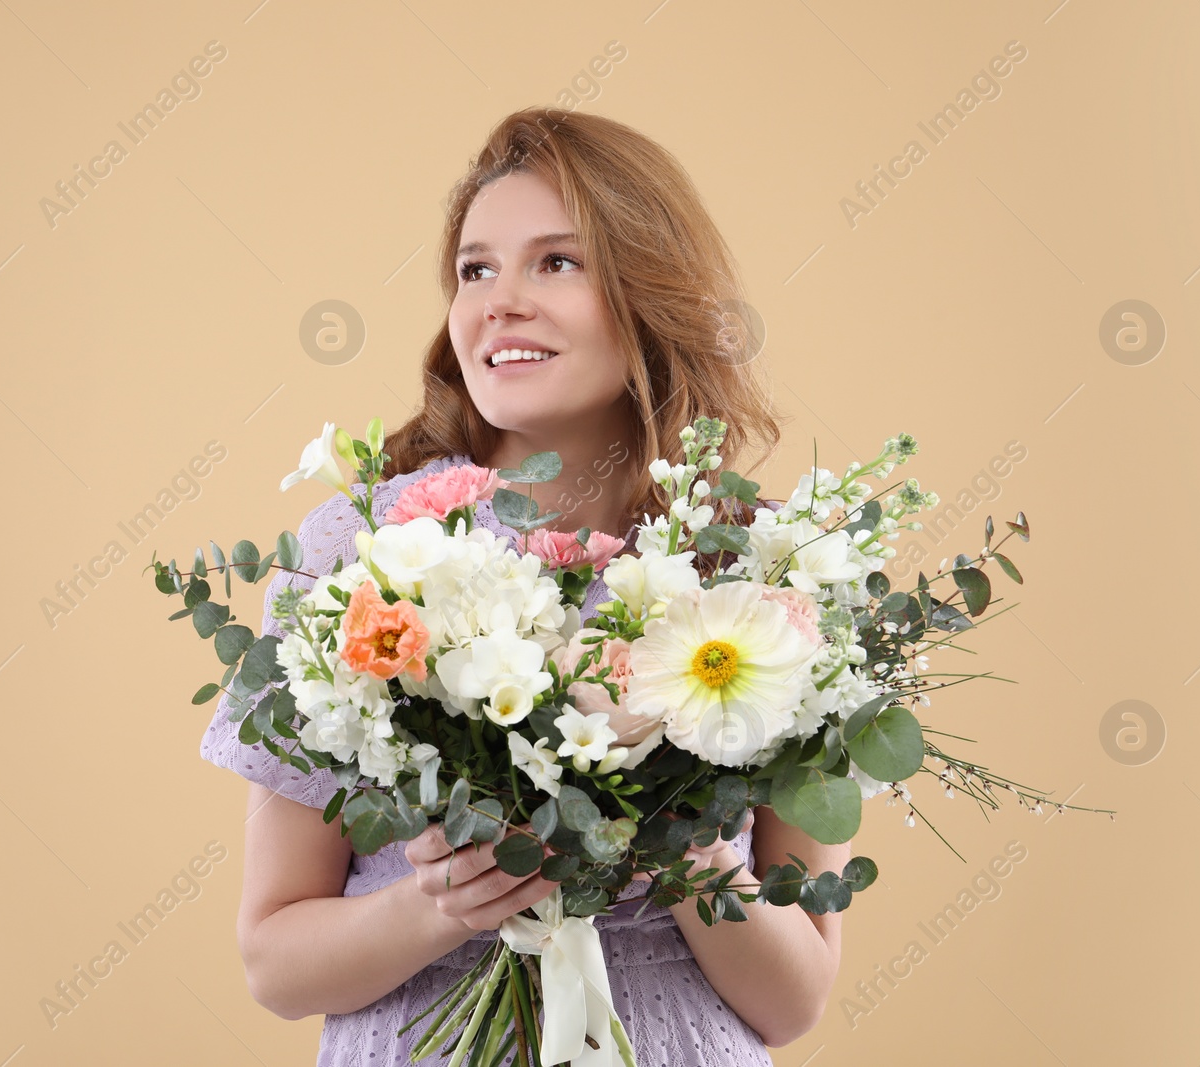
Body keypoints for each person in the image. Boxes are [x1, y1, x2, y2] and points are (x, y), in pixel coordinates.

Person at [200, 107, 849, 1065]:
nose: (499, 300)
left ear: (647, 292)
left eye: (557, 261)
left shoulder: (767, 570)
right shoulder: (362, 548)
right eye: (475, 268)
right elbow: (274, 961)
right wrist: (435, 906)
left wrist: (686, 851)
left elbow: (795, 1002)